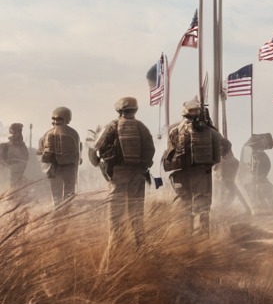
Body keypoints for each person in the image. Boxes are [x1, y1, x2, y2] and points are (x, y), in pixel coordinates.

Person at [91, 96, 156, 246]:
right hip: (138, 175)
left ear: (119, 110)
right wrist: (143, 167)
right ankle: (140, 248)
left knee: (116, 215)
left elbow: (95, 150)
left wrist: (99, 163)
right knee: (136, 213)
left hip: (118, 176)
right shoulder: (141, 127)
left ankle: (116, 249)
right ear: (135, 109)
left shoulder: (111, 126)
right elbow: (150, 150)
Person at [163, 99, 222, 235]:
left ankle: (186, 233)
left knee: (185, 202)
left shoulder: (175, 131)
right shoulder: (212, 132)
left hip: (183, 172)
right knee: (203, 204)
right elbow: (217, 157)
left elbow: (170, 154)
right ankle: (203, 234)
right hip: (203, 172)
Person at [37, 107, 81, 207]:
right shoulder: (74, 133)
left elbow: (41, 153)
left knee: (56, 195)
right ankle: (67, 212)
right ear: (68, 118)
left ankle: (57, 212)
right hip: (70, 167)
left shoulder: (47, 133)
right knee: (69, 194)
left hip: (54, 168)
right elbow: (78, 153)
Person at [241, 133, 273, 211]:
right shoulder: (252, 147)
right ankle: (260, 204)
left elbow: (250, 164)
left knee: (254, 184)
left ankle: (260, 204)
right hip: (260, 164)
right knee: (252, 184)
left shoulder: (254, 146)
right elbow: (248, 164)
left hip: (261, 164)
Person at [0, 122, 29, 189]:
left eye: (14, 133)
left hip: (15, 170)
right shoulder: (5, 145)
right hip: (7, 169)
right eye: (11, 132)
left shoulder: (22, 147)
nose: (12, 134)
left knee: (14, 185)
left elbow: (24, 161)